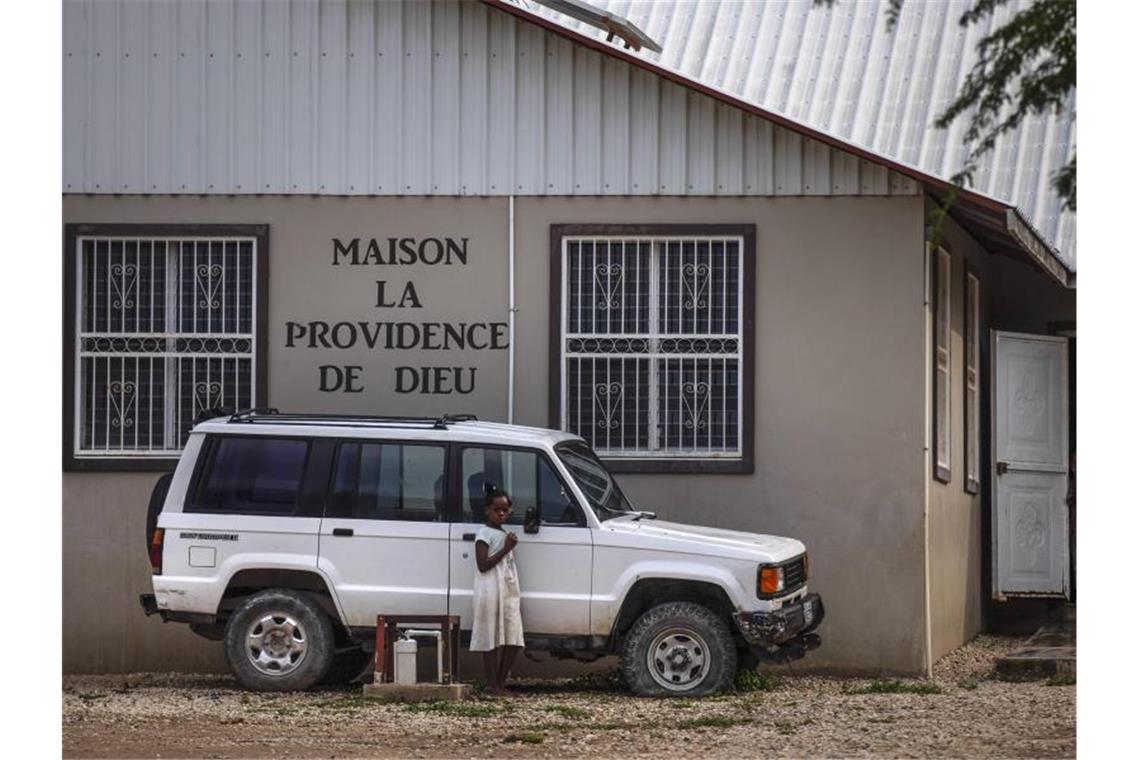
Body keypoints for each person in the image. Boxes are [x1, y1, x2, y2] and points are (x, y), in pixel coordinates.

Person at [470, 486, 524, 695]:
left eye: (505, 510)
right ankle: (493, 685)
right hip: (490, 589)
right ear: (487, 511)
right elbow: (483, 564)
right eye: (496, 510)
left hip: (507, 589)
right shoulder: (484, 534)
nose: (501, 514)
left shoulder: (504, 534)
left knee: (513, 637)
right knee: (490, 637)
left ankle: (501, 682)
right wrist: (506, 548)